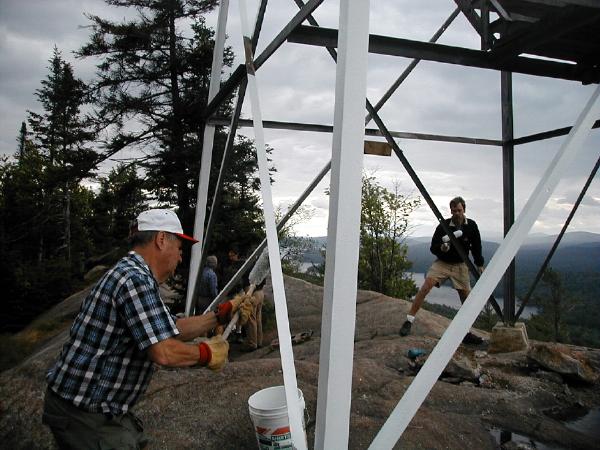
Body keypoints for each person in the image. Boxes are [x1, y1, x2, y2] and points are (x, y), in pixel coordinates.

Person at [42, 209, 249, 450]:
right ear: (161, 240)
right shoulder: (134, 279)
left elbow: (169, 327)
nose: (180, 258)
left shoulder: (134, 273)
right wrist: (207, 353)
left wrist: (219, 315)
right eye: (180, 249)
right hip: (85, 410)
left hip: (94, 405)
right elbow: (164, 351)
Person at [399, 196, 484, 345]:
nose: (456, 213)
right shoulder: (443, 226)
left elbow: (476, 246)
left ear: (464, 209)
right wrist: (442, 248)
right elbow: (433, 247)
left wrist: (479, 264)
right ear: (450, 211)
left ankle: (466, 332)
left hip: (461, 265)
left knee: (466, 298)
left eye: (459, 210)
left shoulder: (471, 226)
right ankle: (409, 320)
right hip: (443, 263)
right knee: (426, 287)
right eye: (453, 211)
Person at [240, 280, 266, 352]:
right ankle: (259, 342)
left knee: (251, 319)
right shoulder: (260, 269)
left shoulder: (249, 270)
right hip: (260, 291)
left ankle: (252, 344)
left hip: (253, 293)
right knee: (258, 318)